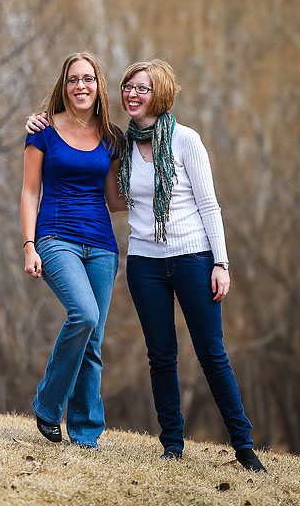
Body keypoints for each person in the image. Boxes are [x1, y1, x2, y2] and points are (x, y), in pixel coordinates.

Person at [25, 59, 267, 472]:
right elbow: (100, 195)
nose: (133, 95)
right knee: (151, 351)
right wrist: (31, 240)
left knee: (209, 354)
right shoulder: (104, 140)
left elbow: (201, 204)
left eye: (143, 88)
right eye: (128, 88)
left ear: (161, 94)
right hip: (137, 259)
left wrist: (220, 262)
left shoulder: (171, 140)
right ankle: (169, 444)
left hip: (183, 256)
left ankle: (243, 447)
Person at [21, 52, 126, 449]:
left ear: (99, 85)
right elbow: (30, 191)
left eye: (88, 79)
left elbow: (115, 199)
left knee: (94, 339)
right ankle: (48, 405)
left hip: (102, 245)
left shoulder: (113, 138)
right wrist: (30, 245)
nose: (80, 86)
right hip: (54, 238)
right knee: (83, 313)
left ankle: (85, 436)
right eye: (72, 79)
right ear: (63, 86)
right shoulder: (42, 131)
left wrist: (159, 189)